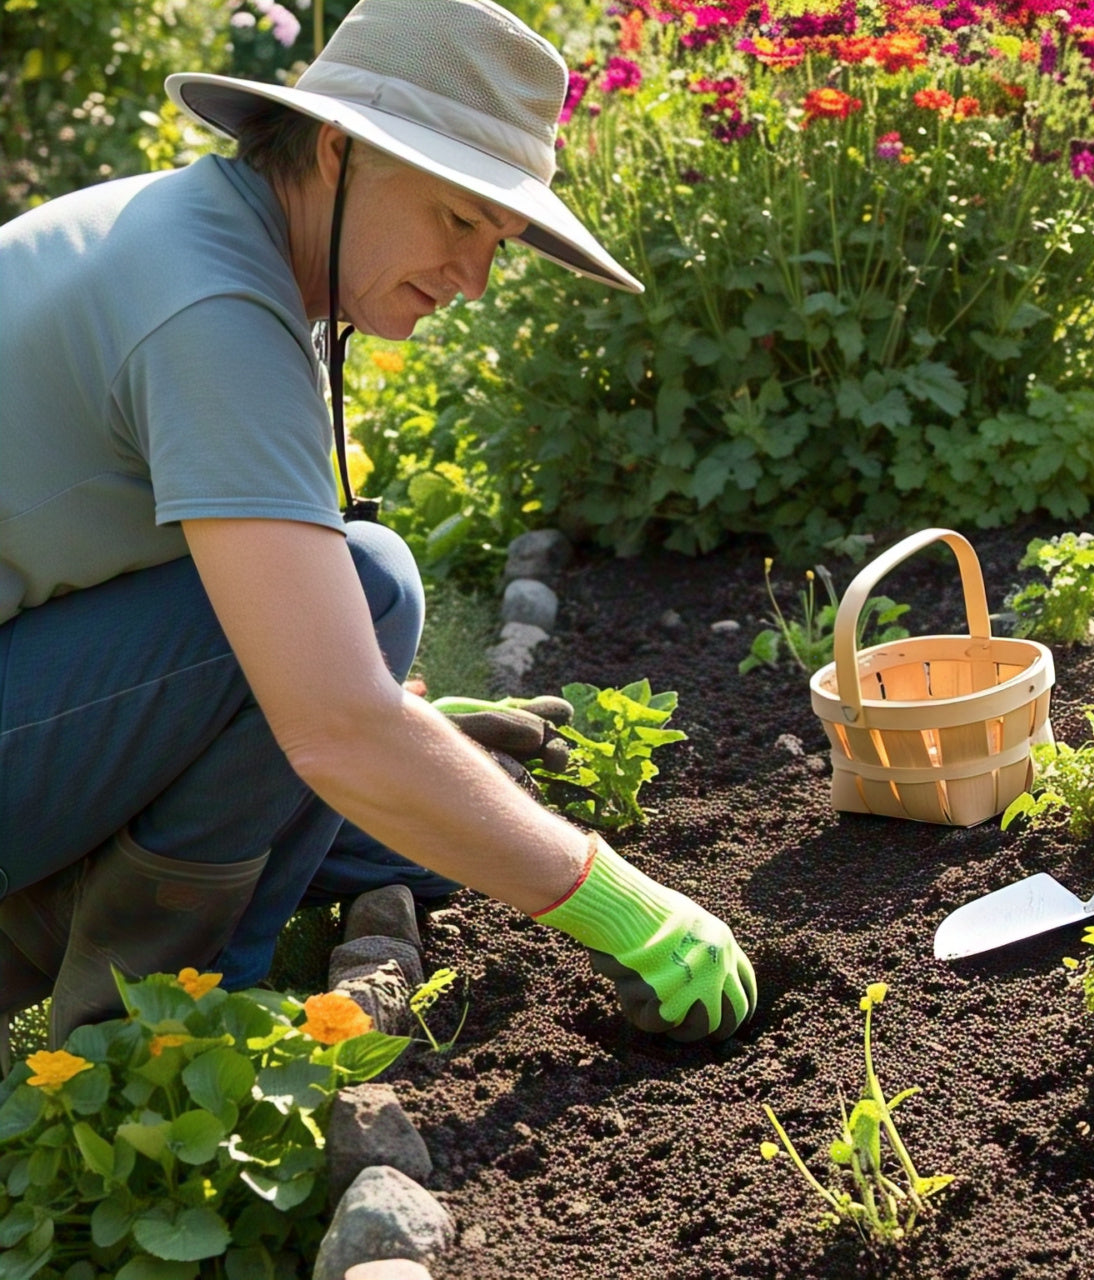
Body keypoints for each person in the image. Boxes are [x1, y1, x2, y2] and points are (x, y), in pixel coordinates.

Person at [0, 0, 756, 1051]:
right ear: (337, 148)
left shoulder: (213, 241)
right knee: (369, 612)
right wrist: (611, 898)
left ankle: (162, 975)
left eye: (495, 243)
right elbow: (333, 721)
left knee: (379, 617)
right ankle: (157, 1039)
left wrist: (404, 740)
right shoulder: (209, 305)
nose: (473, 279)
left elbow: (260, 611)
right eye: (457, 220)